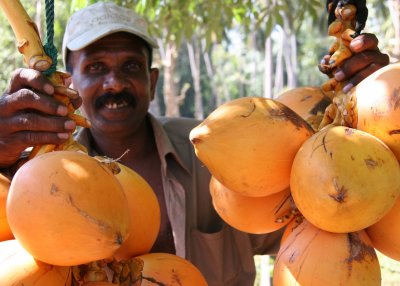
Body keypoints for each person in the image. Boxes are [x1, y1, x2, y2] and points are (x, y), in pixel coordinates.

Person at [0, 2, 390, 285]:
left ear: (153, 81)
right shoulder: (30, 176)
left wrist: (369, 111)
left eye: (130, 67)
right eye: (96, 67)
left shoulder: (215, 152)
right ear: (71, 81)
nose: (115, 83)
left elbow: (328, 210)